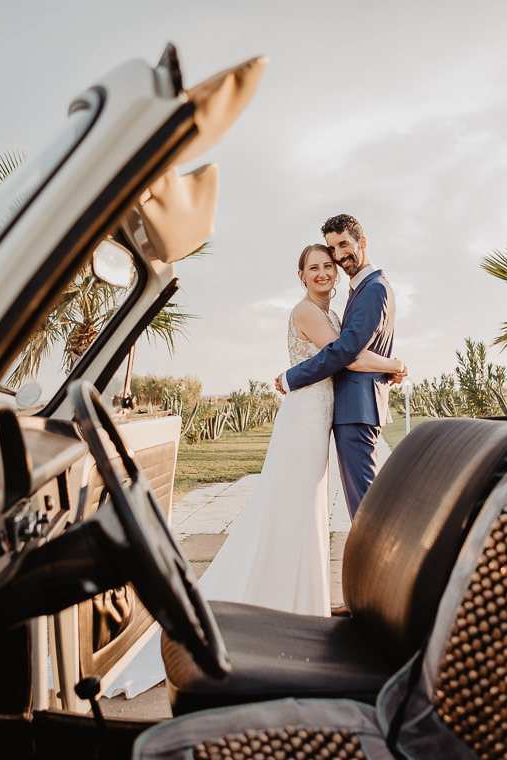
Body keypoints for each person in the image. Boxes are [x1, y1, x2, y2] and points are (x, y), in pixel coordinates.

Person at [104, 243, 404, 698]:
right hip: (305, 419)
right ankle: (284, 605)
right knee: (294, 508)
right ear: (300, 276)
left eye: (328, 266)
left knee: (305, 510)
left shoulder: (329, 311)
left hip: (319, 413)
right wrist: (395, 364)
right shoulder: (306, 311)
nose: (324, 273)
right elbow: (346, 356)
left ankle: (303, 606)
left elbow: (343, 352)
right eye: (314, 268)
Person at [275, 213, 403, 520]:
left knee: (364, 506)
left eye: (344, 244)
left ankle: (375, 566)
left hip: (357, 409)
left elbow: (347, 352)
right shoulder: (360, 289)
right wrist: (392, 365)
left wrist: (291, 376)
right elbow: (354, 351)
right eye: (333, 249)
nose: (340, 254)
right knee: (362, 501)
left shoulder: (373, 289)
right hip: (348, 408)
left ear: (362, 242)